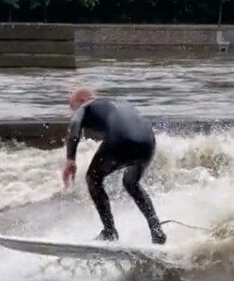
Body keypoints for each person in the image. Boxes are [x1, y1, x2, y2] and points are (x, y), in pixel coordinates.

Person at [62, 87, 167, 244]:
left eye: (72, 107)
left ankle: (110, 231)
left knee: (93, 178)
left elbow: (76, 123)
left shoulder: (87, 106)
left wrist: (70, 159)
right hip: (148, 141)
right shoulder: (117, 105)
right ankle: (157, 231)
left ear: (82, 100)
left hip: (121, 138)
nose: (72, 112)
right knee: (131, 183)